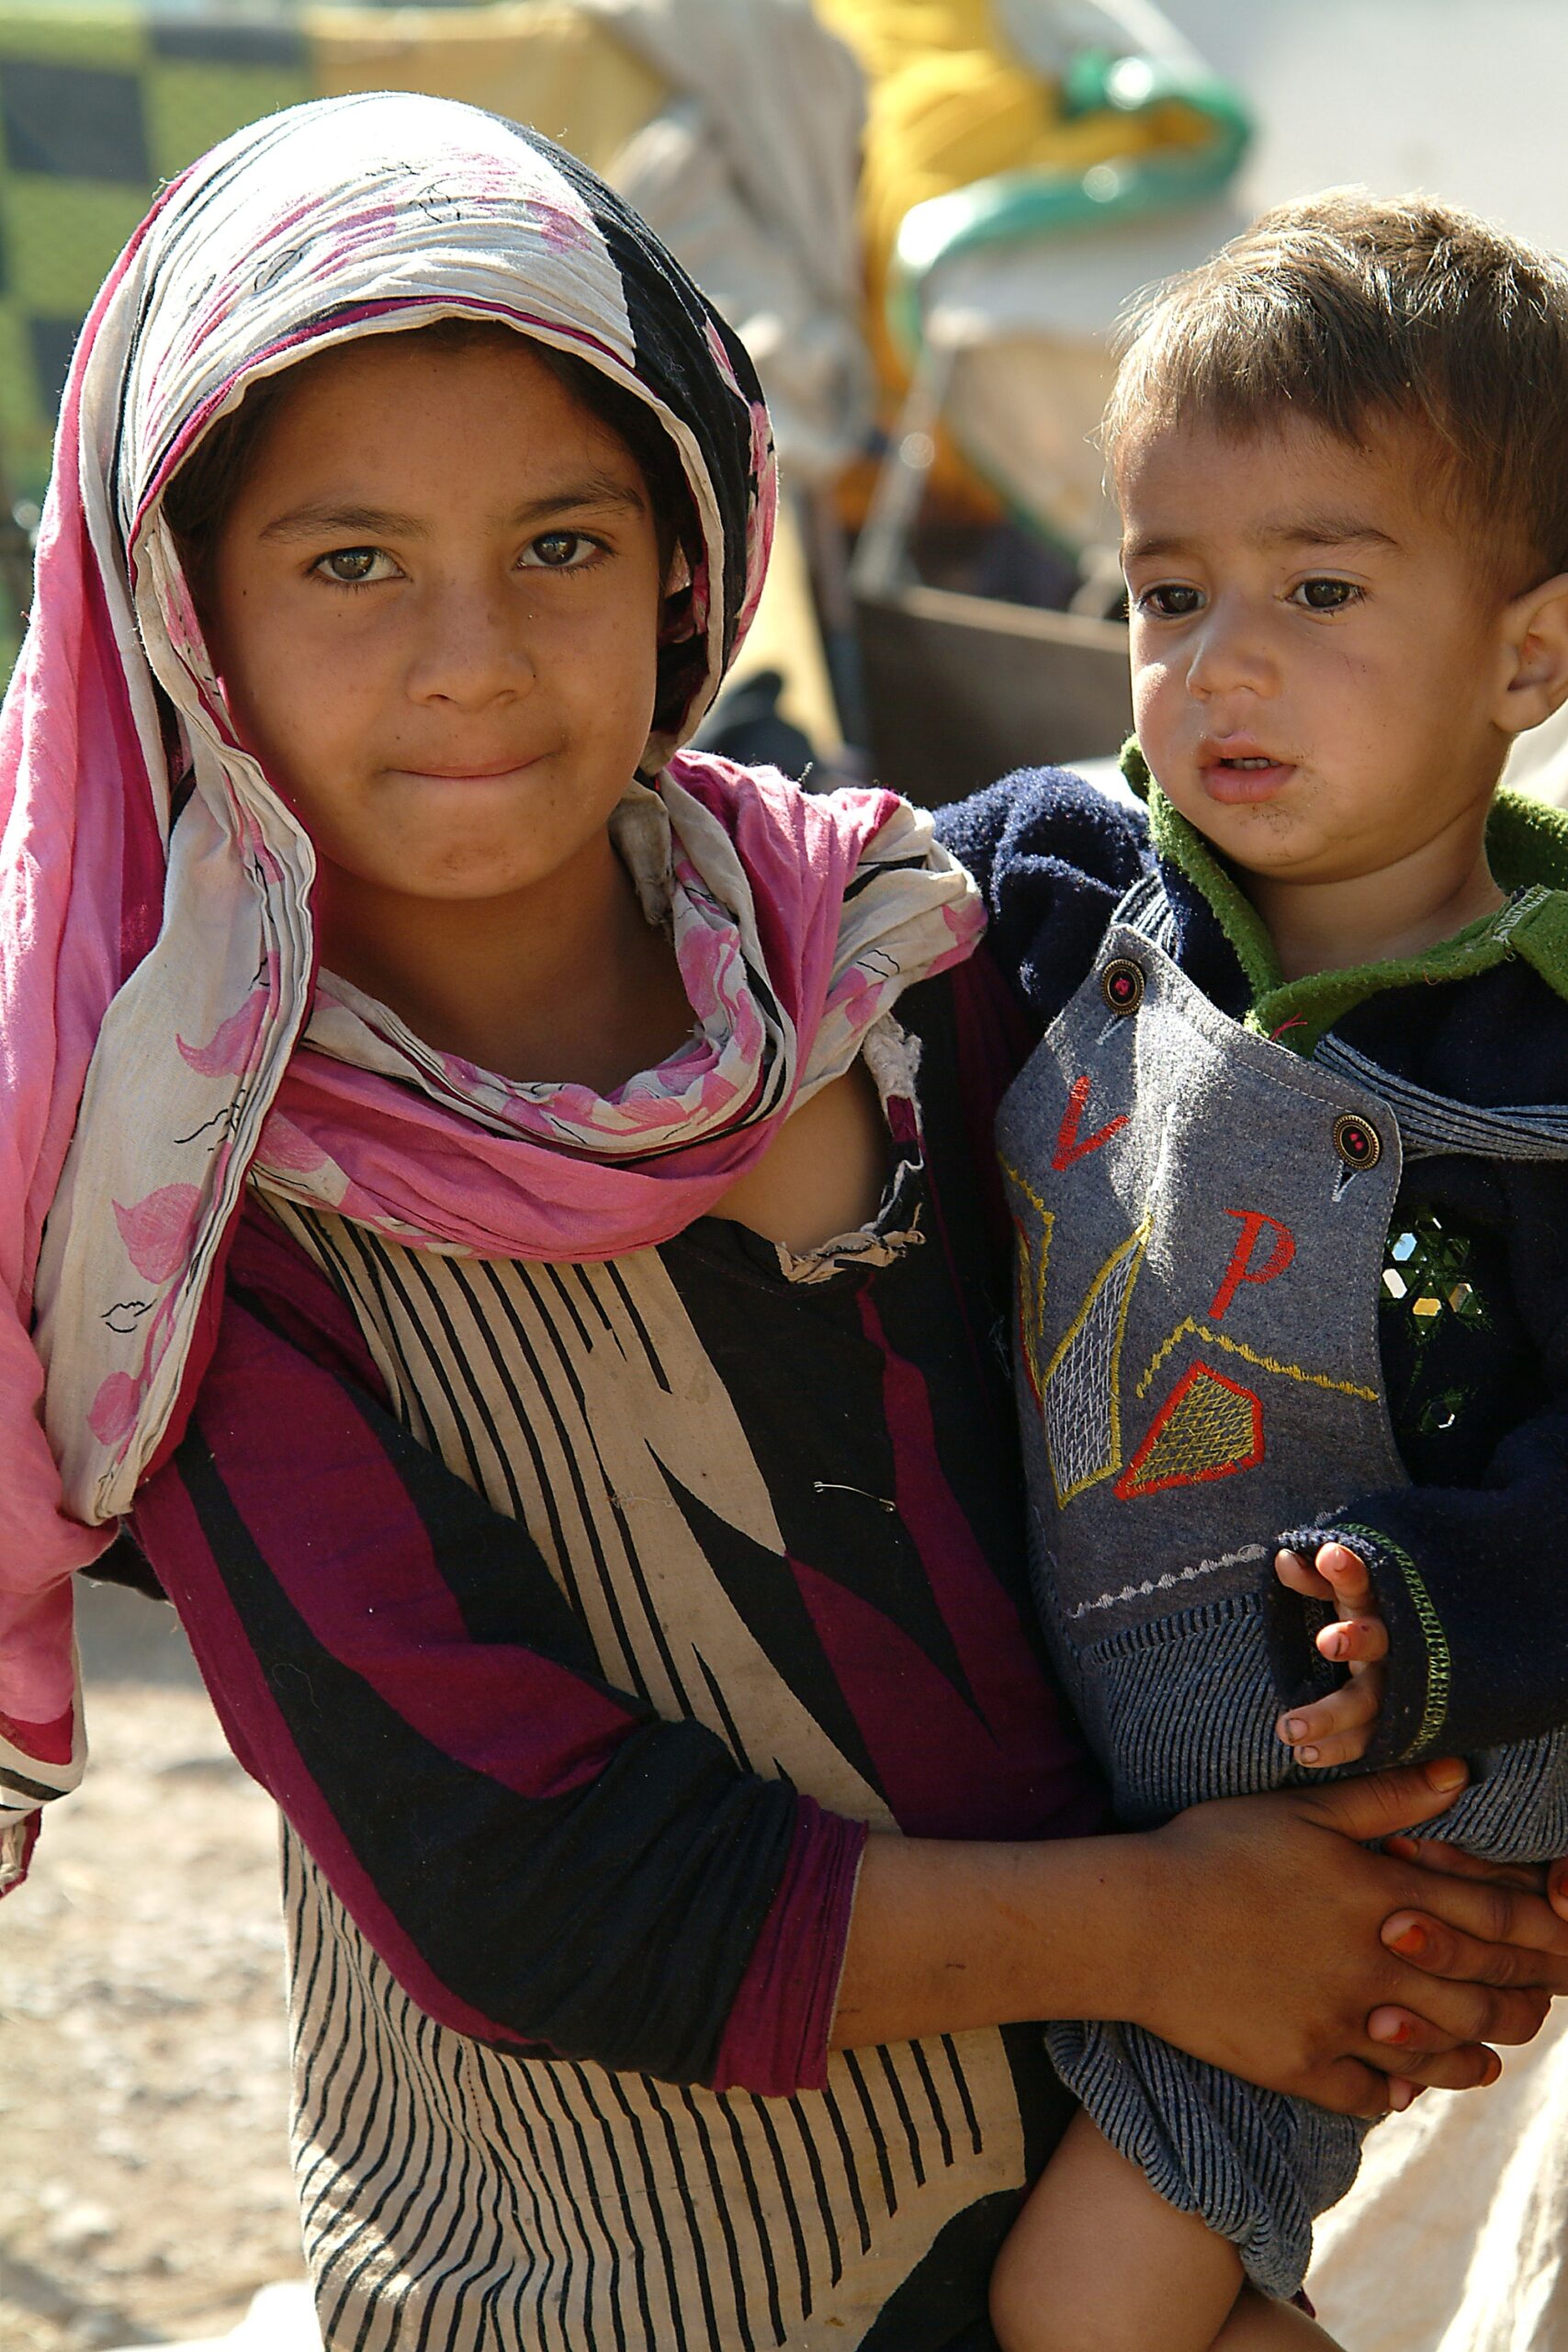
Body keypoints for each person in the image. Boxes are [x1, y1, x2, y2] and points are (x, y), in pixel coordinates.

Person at [4, 114, 1567, 2350]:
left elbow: (1382, 1272)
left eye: (557, 538)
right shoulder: (202, 1221)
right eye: (349, 563)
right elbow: (527, 1878)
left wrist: (1428, 1862)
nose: (469, 654)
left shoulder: (926, 953)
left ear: (681, 554)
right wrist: (1171, 1930)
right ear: (188, 614)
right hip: (590, 2284)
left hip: (1107, 2199)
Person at [938, 192, 1568, 2352]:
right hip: (1103, 1764)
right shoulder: (1057, 880)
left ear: (1524, 652)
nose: (1221, 662)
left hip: (1391, 1808)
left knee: (1077, 2300)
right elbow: (801, 900)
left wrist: (1441, 1623)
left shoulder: (1545, 1069)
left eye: (1316, 588)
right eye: (1169, 591)